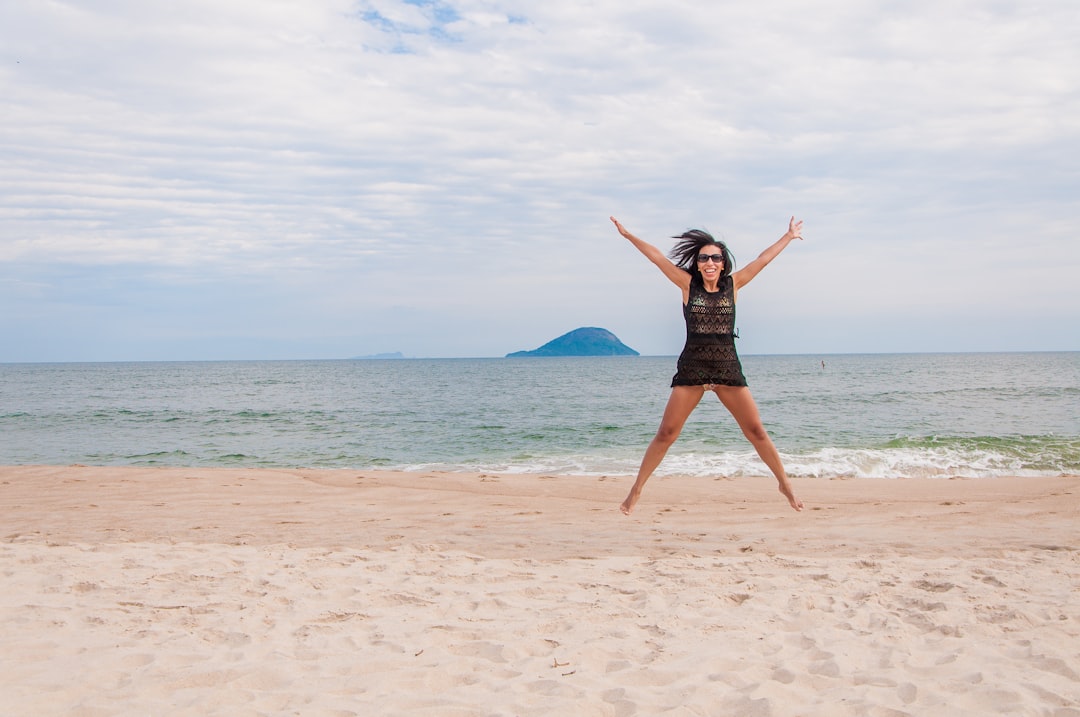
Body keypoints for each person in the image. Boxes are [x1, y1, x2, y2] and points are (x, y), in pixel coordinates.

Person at [609, 215, 805, 515]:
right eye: (704, 258)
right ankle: (636, 489)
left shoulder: (733, 284)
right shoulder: (687, 285)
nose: (709, 262)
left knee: (756, 431)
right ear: (698, 264)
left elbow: (762, 260)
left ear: (723, 263)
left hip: (727, 368)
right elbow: (657, 258)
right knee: (666, 434)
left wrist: (788, 237)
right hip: (692, 369)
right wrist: (628, 235)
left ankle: (785, 484)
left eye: (715, 257)